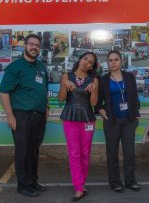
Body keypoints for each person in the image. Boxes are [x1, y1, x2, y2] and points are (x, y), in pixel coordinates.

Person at [0, 34, 49, 198]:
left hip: (39, 116)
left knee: (34, 151)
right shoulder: (15, 67)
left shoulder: (41, 67)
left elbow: (44, 90)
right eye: (31, 44)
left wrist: (46, 107)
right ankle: (23, 185)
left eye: (37, 45)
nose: (34, 47)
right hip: (22, 116)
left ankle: (33, 181)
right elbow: (4, 92)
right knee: (23, 152)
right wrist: (10, 116)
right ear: (25, 46)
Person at [96, 50, 141, 193]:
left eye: (116, 59)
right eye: (110, 60)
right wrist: (103, 113)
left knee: (129, 152)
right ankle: (115, 182)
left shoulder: (129, 77)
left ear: (121, 61)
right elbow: (97, 102)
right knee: (112, 153)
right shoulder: (103, 80)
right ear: (107, 63)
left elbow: (134, 96)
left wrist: (136, 112)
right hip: (112, 121)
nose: (113, 62)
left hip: (128, 120)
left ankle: (130, 181)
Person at [58, 52, 99, 201]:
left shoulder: (94, 79)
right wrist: (64, 84)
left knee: (85, 154)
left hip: (88, 119)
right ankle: (79, 188)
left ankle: (82, 183)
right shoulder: (66, 76)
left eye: (90, 62)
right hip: (70, 117)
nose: (86, 63)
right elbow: (61, 98)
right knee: (74, 153)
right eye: (85, 59)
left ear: (92, 67)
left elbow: (94, 103)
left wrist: (94, 88)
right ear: (80, 59)